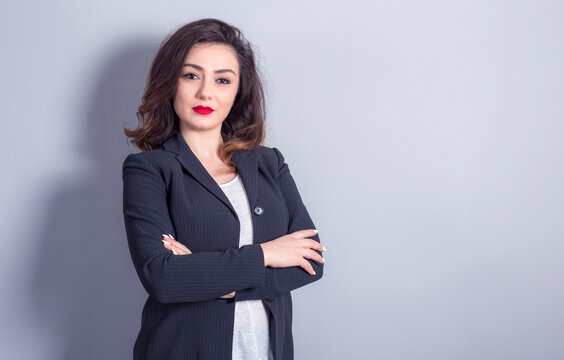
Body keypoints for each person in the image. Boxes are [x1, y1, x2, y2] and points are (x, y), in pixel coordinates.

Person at [122, 18, 325, 360]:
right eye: (191, 75)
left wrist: (213, 280)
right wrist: (268, 254)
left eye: (222, 80)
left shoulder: (268, 163)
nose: (206, 92)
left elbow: (311, 260)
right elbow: (163, 278)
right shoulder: (148, 170)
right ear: (170, 83)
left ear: (237, 91)